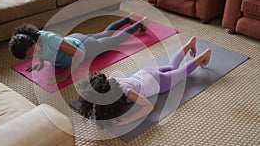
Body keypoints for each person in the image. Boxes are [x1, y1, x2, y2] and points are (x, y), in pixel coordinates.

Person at [78, 37, 211, 126]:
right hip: (146, 73)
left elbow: (148, 107)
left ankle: (204, 55)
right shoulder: (111, 81)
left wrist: (127, 120)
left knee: (182, 72)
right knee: (171, 66)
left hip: (160, 83)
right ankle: (190, 43)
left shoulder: (128, 92)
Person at [9, 13, 148, 84]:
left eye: (32, 53)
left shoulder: (50, 40)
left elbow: (79, 55)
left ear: (33, 42)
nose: (32, 56)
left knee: (115, 40)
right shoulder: (31, 39)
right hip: (73, 40)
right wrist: (38, 62)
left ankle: (141, 22)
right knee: (105, 34)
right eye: (28, 57)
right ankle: (127, 19)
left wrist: (65, 75)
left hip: (85, 47)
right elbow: (40, 53)